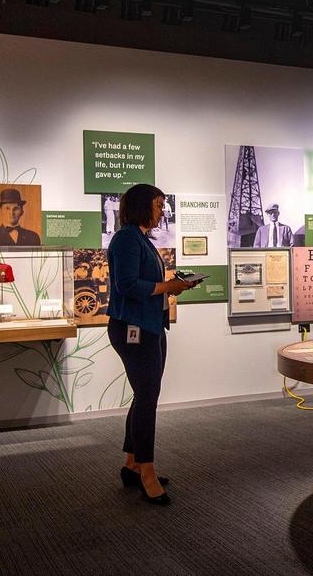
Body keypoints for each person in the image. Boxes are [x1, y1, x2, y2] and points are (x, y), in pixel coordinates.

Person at [106, 183, 196, 505]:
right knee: (147, 398)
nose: (162, 212)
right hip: (134, 328)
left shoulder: (140, 239)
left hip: (149, 326)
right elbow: (127, 285)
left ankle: (131, 463)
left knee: (145, 394)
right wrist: (167, 285)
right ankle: (147, 471)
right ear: (144, 206)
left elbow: (143, 285)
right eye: (158, 206)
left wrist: (171, 287)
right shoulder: (128, 238)